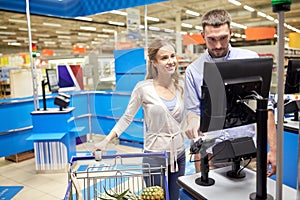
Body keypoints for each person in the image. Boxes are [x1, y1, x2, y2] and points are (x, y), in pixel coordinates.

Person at [184, 9, 276, 177]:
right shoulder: (193, 71)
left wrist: (274, 150)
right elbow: (193, 112)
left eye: (223, 38)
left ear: (231, 32)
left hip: (249, 153)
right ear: (202, 35)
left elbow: (266, 107)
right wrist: (192, 124)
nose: (218, 45)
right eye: (212, 39)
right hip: (212, 156)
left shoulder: (250, 60)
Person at [94, 39, 186, 200]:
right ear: (154, 63)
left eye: (173, 56)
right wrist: (106, 140)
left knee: (175, 198)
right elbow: (126, 118)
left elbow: (191, 113)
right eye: (164, 58)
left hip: (179, 154)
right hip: (155, 156)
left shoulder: (180, 85)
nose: (171, 61)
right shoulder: (143, 88)